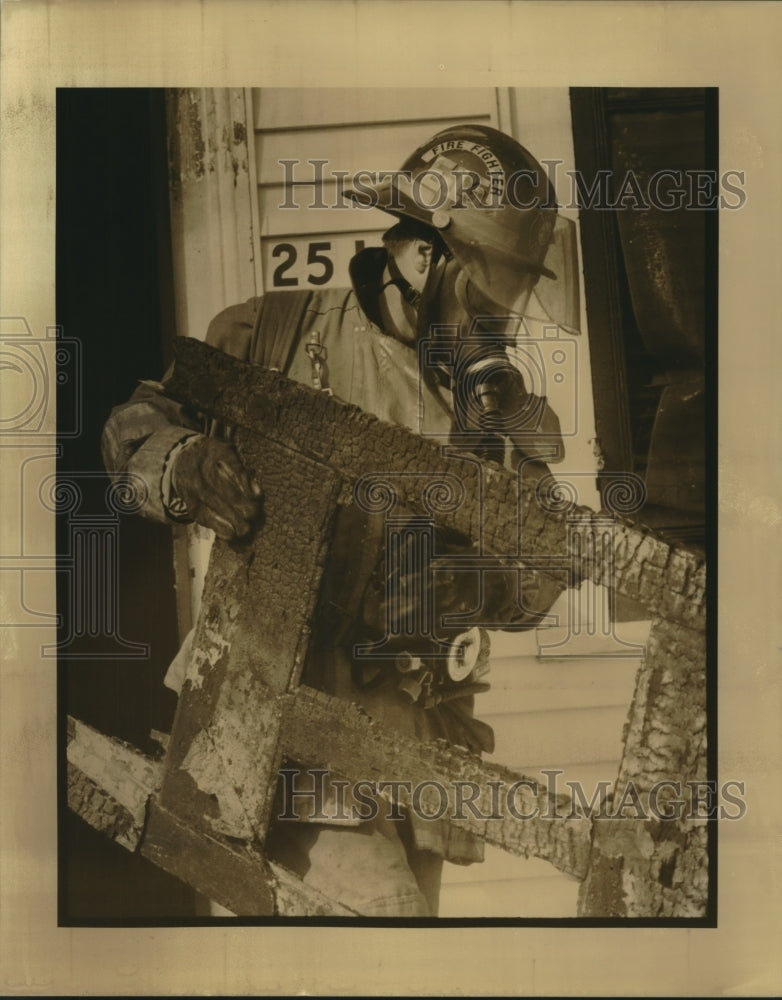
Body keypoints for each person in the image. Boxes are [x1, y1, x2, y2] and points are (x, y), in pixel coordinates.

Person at [102, 123, 566, 916]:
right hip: (278, 722)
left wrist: (477, 583)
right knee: (386, 935)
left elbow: (544, 570)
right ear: (424, 258)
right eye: (492, 289)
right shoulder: (272, 337)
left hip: (420, 745)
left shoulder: (491, 404)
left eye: (512, 296)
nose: (502, 319)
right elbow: (131, 433)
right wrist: (183, 463)